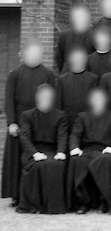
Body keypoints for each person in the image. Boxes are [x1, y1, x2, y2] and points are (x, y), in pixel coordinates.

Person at [4, 40, 56, 206]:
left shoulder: (48, 74)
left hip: (40, 122)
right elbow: (9, 101)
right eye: (32, 53)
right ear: (24, 54)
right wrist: (11, 122)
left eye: (38, 53)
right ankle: (16, 194)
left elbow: (53, 100)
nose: (35, 56)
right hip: (19, 123)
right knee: (16, 159)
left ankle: (37, 193)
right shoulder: (15, 74)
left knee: (38, 157)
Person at [67, 87, 111, 213]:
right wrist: (75, 148)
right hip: (87, 151)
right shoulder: (82, 117)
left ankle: (105, 201)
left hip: (105, 151)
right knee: (77, 161)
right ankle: (83, 203)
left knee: (106, 160)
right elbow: (75, 134)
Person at [17, 84, 68, 214]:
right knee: (38, 165)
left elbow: (62, 136)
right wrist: (35, 154)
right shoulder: (27, 115)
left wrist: (61, 152)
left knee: (56, 165)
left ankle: (54, 207)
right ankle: (33, 206)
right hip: (33, 151)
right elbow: (24, 137)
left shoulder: (61, 115)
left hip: (52, 150)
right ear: (37, 98)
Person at [56, 44, 98, 121]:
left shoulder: (93, 79)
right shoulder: (62, 80)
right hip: (67, 122)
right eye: (75, 58)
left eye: (81, 58)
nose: (78, 61)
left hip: (86, 122)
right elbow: (58, 107)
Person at [56, 3, 93, 73]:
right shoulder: (64, 36)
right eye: (76, 16)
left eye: (82, 16)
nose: (79, 19)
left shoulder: (93, 37)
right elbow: (59, 58)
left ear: (87, 17)